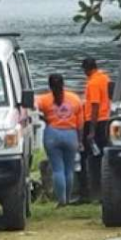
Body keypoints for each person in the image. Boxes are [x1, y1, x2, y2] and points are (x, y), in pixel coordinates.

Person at [37, 74, 84, 206]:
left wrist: (43, 119)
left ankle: (61, 200)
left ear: (50, 86)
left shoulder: (44, 99)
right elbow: (80, 124)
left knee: (57, 169)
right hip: (71, 135)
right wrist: (80, 141)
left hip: (52, 134)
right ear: (64, 84)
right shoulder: (75, 99)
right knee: (69, 169)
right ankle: (68, 199)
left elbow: (32, 109)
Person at [79, 58, 111, 201]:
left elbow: (95, 105)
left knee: (86, 156)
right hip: (106, 120)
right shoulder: (105, 78)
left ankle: (89, 191)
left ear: (87, 69)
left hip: (95, 122)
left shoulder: (93, 83)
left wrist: (91, 131)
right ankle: (103, 189)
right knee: (103, 154)